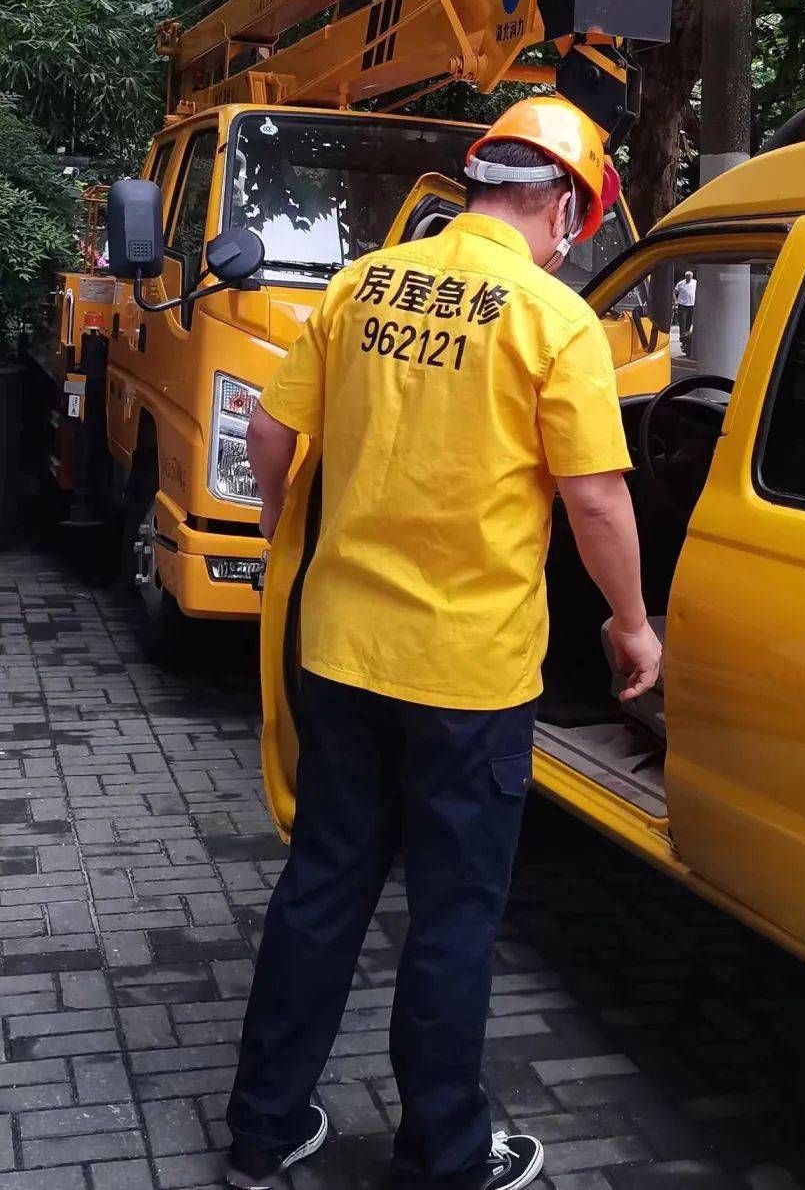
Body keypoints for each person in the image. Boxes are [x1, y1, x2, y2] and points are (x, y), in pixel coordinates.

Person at [224, 95, 663, 1190]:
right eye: (580, 217)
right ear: (558, 197)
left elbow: (272, 427)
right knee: (455, 915)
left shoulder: (362, 282)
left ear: (482, 177)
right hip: (468, 674)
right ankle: (445, 1154)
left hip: (342, 648)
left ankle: (264, 1131)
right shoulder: (552, 318)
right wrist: (629, 620)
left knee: (322, 886)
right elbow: (597, 499)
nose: (575, 239)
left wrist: (288, 532)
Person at [673, 268, 696, 354]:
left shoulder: (695, 282)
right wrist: (675, 300)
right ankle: (682, 336)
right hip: (682, 304)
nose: (688, 279)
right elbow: (674, 292)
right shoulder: (681, 283)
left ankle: (687, 335)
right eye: (687, 277)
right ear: (685, 277)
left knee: (689, 321)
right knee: (682, 321)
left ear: (692, 277)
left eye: (690, 277)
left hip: (692, 304)